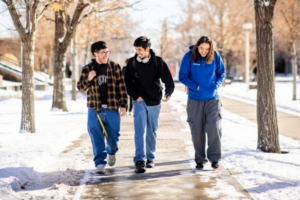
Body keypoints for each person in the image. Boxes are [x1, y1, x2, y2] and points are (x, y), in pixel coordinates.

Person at [125, 36, 175, 173]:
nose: (138, 52)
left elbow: (168, 79)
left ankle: (150, 158)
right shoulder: (132, 63)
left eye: (140, 50)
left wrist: (168, 92)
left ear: (147, 49)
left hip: (154, 102)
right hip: (139, 101)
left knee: (151, 131)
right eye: (136, 49)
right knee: (139, 132)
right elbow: (127, 81)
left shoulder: (158, 62)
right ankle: (139, 160)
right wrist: (136, 96)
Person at [77, 41, 127, 174]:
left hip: (112, 108)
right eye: (103, 53)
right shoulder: (88, 69)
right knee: (95, 134)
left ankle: (111, 151)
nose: (106, 55)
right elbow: (80, 87)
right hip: (94, 108)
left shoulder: (115, 67)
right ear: (96, 54)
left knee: (113, 136)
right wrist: (88, 78)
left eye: (107, 52)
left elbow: (122, 87)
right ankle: (99, 161)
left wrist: (123, 105)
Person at [179, 36, 225, 170]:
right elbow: (182, 76)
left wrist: (215, 86)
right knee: (197, 131)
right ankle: (200, 159)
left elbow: (221, 73)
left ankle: (215, 158)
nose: (204, 51)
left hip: (213, 99)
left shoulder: (215, 56)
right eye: (201, 48)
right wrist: (196, 87)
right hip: (195, 100)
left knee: (214, 129)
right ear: (197, 47)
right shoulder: (188, 57)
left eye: (207, 49)